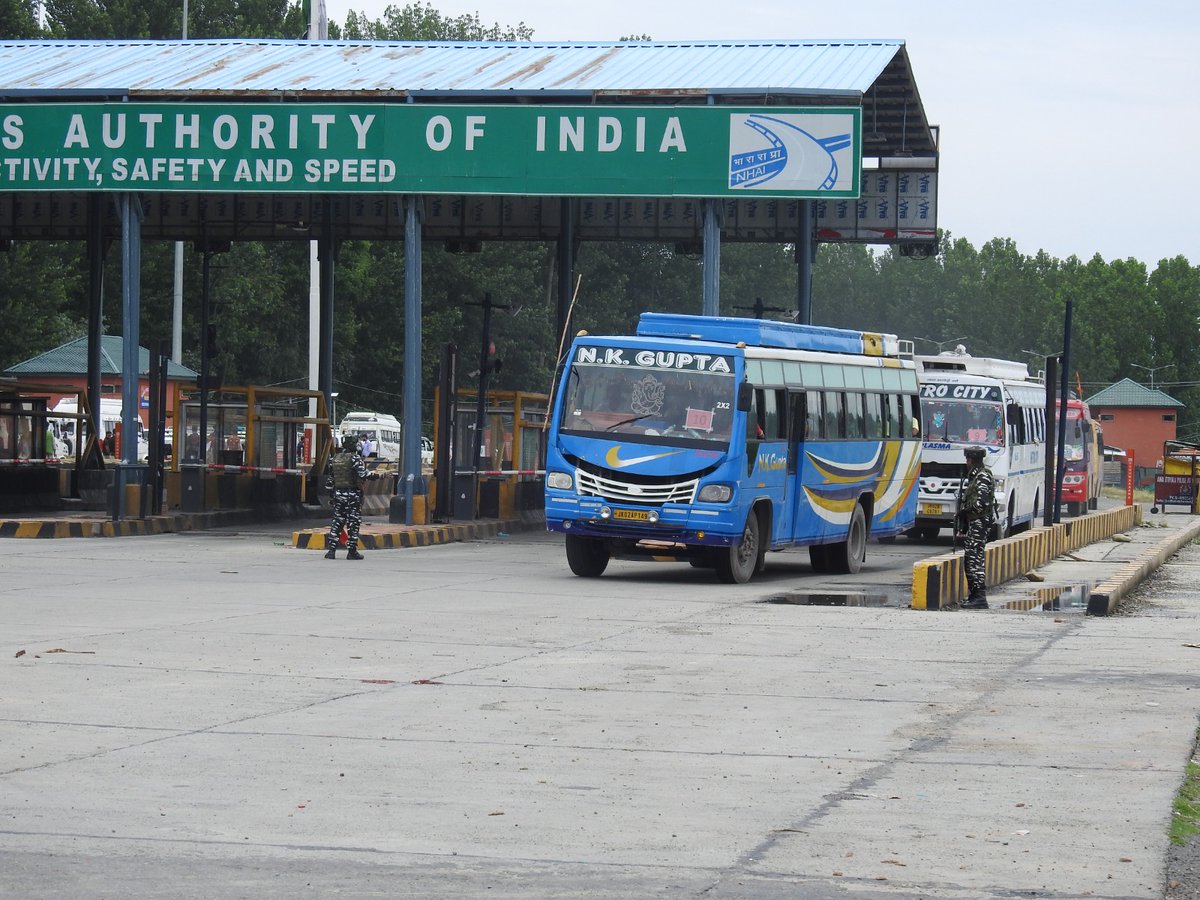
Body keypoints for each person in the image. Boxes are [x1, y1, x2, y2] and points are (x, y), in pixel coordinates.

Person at [324, 433, 378, 560]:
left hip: (338, 494)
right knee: (353, 523)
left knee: (337, 521)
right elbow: (363, 474)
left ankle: (331, 551)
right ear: (354, 445)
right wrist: (377, 476)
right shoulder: (354, 459)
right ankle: (352, 551)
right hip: (352, 495)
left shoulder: (335, 458)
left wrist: (332, 496)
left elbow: (330, 481)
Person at [956, 446, 995, 609]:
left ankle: (979, 597)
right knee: (971, 559)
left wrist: (965, 512)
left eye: (967, 459)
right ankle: (975, 595)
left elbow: (981, 504)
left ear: (971, 460)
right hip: (975, 522)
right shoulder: (975, 476)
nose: (966, 462)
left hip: (979, 522)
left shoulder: (982, 476)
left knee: (975, 560)